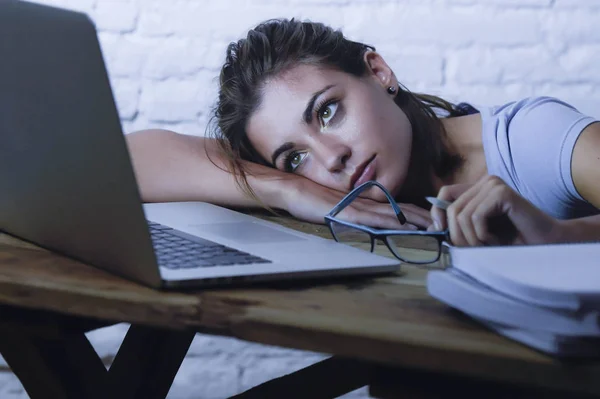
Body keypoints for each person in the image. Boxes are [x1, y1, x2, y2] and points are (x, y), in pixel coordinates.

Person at [126, 19, 600, 248]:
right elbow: (124, 162)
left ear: (378, 72)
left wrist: (557, 236)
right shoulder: (318, 181)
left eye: (328, 111)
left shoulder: (532, 138)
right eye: (294, 155)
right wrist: (288, 188)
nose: (330, 158)